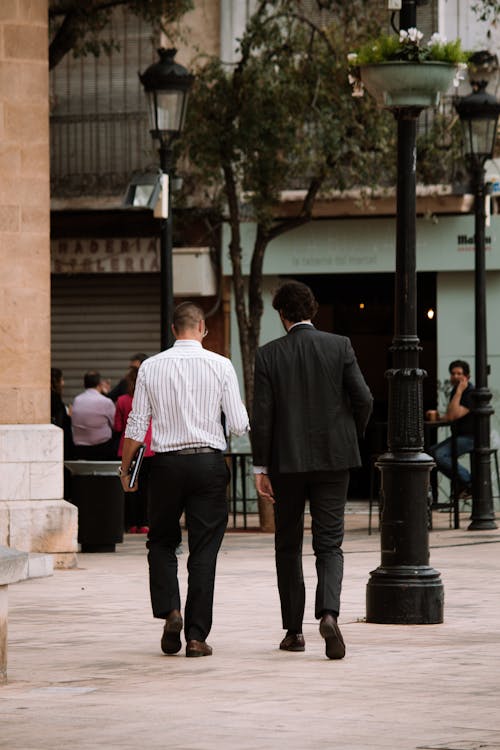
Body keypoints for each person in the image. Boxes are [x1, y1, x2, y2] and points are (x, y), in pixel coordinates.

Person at [251, 280, 373, 660]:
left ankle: (293, 632)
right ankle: (329, 613)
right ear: (312, 311)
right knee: (329, 543)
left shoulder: (268, 355)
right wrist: (350, 436)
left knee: (287, 545)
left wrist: (261, 466)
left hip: (287, 464)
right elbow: (364, 398)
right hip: (335, 460)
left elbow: (264, 416)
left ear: (282, 315)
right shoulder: (340, 346)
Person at [120, 302, 249, 658]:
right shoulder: (221, 365)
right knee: (204, 550)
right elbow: (238, 424)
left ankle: (170, 611)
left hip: (165, 466)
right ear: (202, 328)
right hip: (208, 464)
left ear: (174, 330)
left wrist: (126, 467)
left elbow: (137, 423)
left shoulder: (150, 366)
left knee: (161, 541)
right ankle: (195, 636)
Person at [114, 366, 154, 534]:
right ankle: (144, 522)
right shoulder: (152, 399)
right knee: (146, 487)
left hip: (128, 447)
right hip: (149, 447)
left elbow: (117, 426)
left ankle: (130, 523)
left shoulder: (122, 400)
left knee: (129, 485)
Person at [428, 359, 474, 499]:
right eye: (453, 373)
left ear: (467, 377)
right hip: (459, 436)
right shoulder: (455, 391)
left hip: (471, 438)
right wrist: (438, 417)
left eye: (459, 373)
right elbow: (449, 416)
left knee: (439, 455)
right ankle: (463, 484)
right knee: (430, 453)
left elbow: (454, 415)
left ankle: (469, 483)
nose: (455, 377)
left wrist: (459, 391)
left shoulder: (470, 393)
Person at [71, 370, 116, 460]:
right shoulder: (106, 401)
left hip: (80, 448)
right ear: (100, 384)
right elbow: (115, 425)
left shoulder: (77, 400)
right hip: (102, 448)